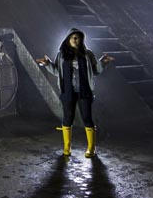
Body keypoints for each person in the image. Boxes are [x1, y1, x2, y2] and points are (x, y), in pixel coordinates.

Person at [35, 28, 114, 158]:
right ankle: (67, 147)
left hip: (85, 91)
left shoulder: (87, 54)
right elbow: (57, 72)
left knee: (87, 118)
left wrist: (103, 62)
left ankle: (91, 148)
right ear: (68, 39)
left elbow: (95, 71)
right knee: (67, 118)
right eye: (73, 37)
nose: (76, 40)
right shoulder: (61, 55)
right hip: (68, 91)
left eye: (78, 38)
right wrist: (47, 64)